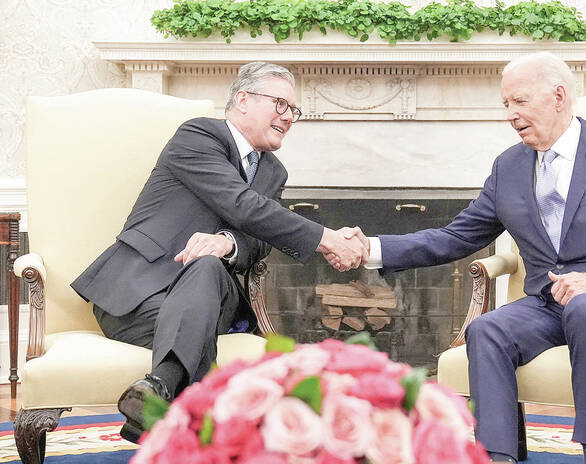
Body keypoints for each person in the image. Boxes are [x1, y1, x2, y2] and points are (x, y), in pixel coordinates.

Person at [341, 52, 586, 464]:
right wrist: (371, 249)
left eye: (520, 101)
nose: (511, 114)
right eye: (506, 104)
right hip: (548, 305)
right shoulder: (509, 165)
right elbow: (457, 236)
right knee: (487, 328)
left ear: (558, 96)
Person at [71, 62, 367, 443]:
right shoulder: (198, 136)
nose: (288, 117)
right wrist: (326, 238)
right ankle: (181, 423)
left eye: (293, 110)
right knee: (196, 323)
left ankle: (155, 392)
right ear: (243, 99)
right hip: (138, 297)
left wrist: (228, 242)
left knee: (209, 266)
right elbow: (243, 205)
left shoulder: (274, 173)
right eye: (280, 104)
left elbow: (260, 239)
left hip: (211, 295)